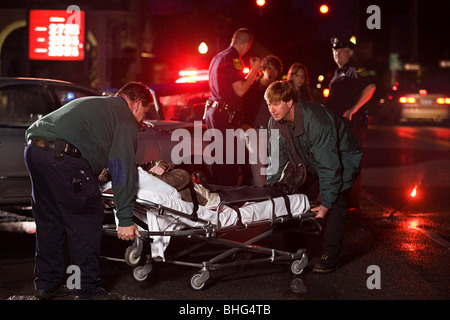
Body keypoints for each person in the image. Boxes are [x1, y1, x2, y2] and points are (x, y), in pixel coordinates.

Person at [24, 81, 153, 300]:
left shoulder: (95, 104)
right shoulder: (125, 118)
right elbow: (121, 168)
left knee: (49, 221)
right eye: (144, 114)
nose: (141, 122)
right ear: (138, 105)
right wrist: (124, 219)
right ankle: (85, 290)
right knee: (83, 222)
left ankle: (46, 284)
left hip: (34, 151)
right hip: (64, 158)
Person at [264, 80, 362, 273]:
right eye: (268, 104)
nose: (271, 109)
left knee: (335, 203)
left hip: (342, 158)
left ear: (290, 102)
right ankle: (297, 251)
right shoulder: (274, 122)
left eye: (276, 104)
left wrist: (325, 204)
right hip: (308, 158)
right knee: (286, 198)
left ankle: (329, 256)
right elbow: (276, 162)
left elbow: (329, 166)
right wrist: (273, 192)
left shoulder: (317, 121)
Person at [204, 28, 261, 186]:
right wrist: (254, 70)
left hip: (213, 112)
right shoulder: (233, 59)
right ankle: (227, 203)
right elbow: (240, 89)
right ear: (246, 45)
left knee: (219, 162)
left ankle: (218, 200)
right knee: (228, 164)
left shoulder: (217, 57)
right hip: (224, 115)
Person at [326, 36, 376, 210]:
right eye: (334, 50)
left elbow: (370, 87)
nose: (337, 54)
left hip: (352, 126)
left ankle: (351, 206)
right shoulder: (339, 72)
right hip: (340, 126)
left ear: (351, 52)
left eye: (341, 50)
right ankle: (343, 203)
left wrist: (354, 108)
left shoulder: (355, 69)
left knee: (351, 165)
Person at [242, 55, 283, 185]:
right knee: (258, 165)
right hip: (255, 130)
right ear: (263, 69)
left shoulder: (278, 89)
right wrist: (244, 124)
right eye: (269, 68)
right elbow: (242, 106)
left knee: (273, 167)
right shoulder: (253, 87)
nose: (272, 72)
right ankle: (261, 195)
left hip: (273, 132)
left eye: (275, 70)